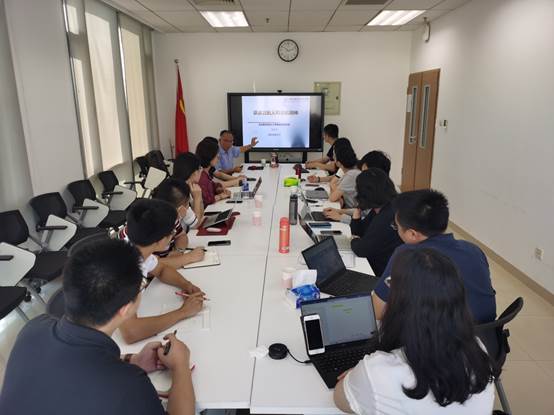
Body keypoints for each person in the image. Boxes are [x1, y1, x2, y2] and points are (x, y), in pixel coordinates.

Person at [0, 239, 195, 415]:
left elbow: (68, 371)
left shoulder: (33, 329)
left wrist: (133, 360)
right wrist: (180, 366)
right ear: (126, 309)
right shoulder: (128, 386)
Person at [334, 248, 495, 414]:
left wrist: (358, 376)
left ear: (400, 301)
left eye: (391, 283)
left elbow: (340, 400)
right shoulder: (478, 350)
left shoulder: (379, 371)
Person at [372, 190, 497, 324]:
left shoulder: (407, 254)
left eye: (396, 226)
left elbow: (377, 311)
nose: (396, 230)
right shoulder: (473, 249)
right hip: (487, 333)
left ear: (412, 234)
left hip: (442, 335)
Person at [120, 199, 205, 343]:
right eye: (172, 232)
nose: (174, 235)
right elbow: (131, 332)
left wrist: (186, 285)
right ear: (160, 241)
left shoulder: (139, 249)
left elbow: (161, 270)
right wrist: (183, 312)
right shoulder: (125, 270)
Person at [349, 168, 403, 276]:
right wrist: (356, 215)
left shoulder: (386, 216)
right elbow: (360, 231)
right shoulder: (384, 206)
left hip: (380, 272)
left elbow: (361, 250)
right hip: (386, 264)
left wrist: (354, 240)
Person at [324, 149, 392, 223]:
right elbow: (363, 212)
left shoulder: (381, 198)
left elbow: (366, 225)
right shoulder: (382, 188)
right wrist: (339, 211)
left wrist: (341, 217)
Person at [151, 178, 206, 268]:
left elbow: (181, 236)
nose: (188, 209)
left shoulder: (171, 217)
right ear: (181, 209)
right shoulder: (147, 225)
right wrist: (189, 257)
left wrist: (178, 251)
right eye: (188, 205)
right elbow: (151, 266)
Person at [195, 138, 233, 205]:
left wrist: (219, 189)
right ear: (209, 156)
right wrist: (220, 196)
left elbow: (212, 186)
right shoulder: (201, 175)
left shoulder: (205, 172)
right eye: (216, 155)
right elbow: (206, 200)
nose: (218, 157)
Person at [172, 151, 205, 222]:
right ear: (194, 172)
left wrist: (199, 196)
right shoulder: (179, 193)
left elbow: (201, 215)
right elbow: (195, 224)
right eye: (200, 168)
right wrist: (197, 198)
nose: (201, 170)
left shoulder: (189, 186)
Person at [328, 138, 360, 208]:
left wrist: (332, 185)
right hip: (349, 208)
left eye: (334, 155)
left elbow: (332, 197)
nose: (333, 157)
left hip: (352, 210)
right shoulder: (350, 170)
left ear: (338, 163)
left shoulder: (351, 174)